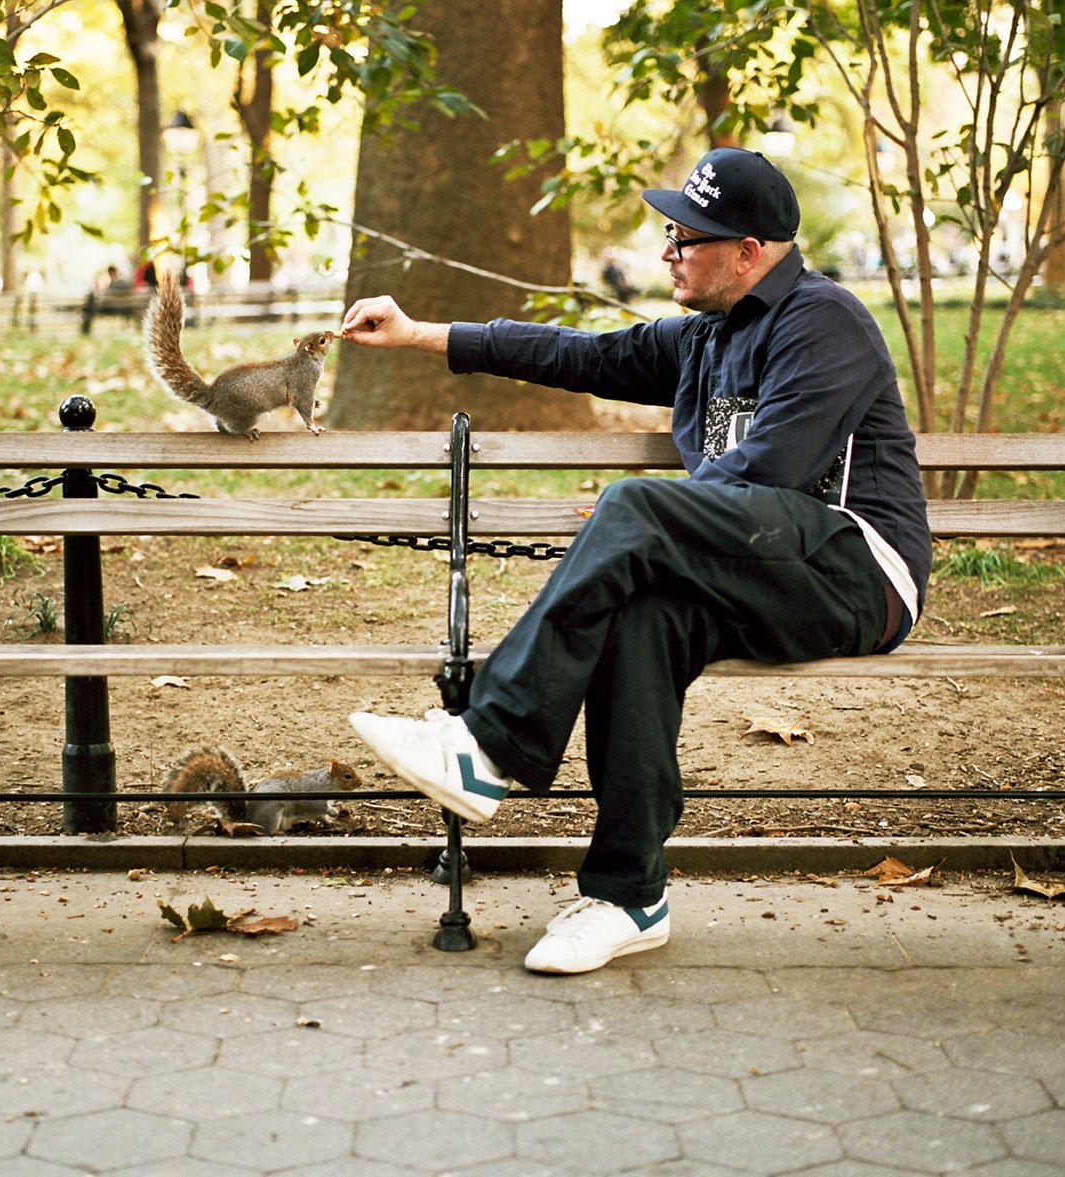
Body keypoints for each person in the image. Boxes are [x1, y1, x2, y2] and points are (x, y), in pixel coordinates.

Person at [341, 147, 931, 975]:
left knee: (634, 506)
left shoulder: (824, 323)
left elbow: (772, 473)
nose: (666, 252)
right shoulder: (703, 340)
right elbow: (575, 353)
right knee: (641, 618)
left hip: (857, 572)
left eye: (685, 238)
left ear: (748, 252)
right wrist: (420, 334)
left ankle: (490, 743)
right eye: (669, 233)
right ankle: (629, 893)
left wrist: (647, 523)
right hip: (761, 566)